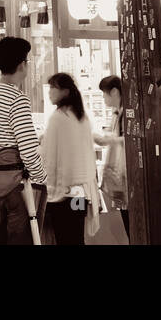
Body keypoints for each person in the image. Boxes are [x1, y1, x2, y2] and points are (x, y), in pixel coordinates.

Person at [0, 36, 46, 244]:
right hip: (15, 186)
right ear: (22, 64)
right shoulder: (17, 99)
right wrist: (42, 177)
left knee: (0, 239)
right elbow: (28, 149)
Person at [41, 72, 99, 245]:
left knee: (64, 237)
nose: (50, 91)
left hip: (63, 193)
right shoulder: (82, 116)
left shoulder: (58, 118)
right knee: (77, 235)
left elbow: (49, 156)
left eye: (53, 88)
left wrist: (48, 187)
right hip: (81, 192)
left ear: (65, 92)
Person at [93, 75, 129, 236]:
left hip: (124, 175)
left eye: (104, 94)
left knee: (128, 216)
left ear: (114, 92)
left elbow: (128, 140)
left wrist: (108, 139)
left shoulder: (126, 113)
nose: (103, 98)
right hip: (119, 176)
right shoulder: (117, 113)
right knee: (123, 213)